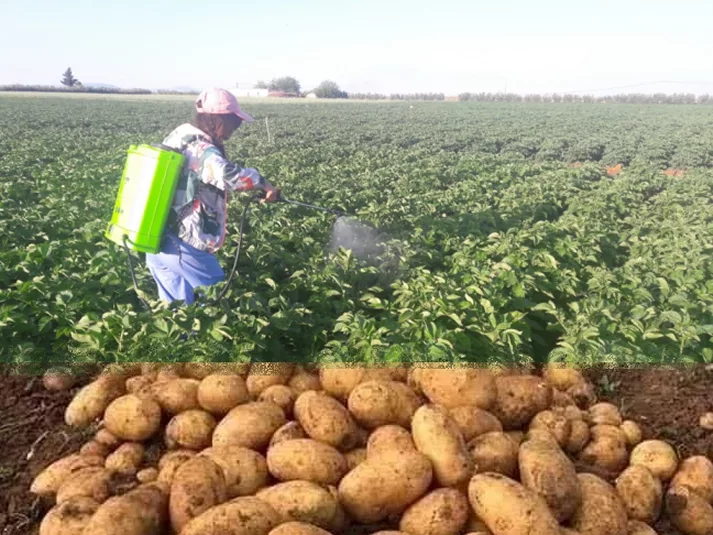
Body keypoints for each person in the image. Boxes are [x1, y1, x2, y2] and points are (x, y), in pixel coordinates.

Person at [145, 87, 280, 306]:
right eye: (233, 122)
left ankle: (182, 339)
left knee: (176, 315)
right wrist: (262, 183)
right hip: (184, 244)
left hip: (158, 239)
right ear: (218, 119)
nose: (236, 128)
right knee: (218, 301)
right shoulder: (200, 147)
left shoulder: (180, 135)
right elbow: (225, 175)